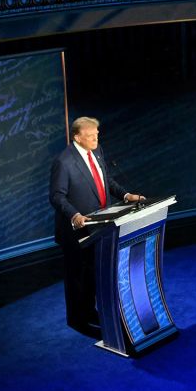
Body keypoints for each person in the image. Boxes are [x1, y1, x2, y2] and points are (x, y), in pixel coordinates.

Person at [50, 116, 145, 335]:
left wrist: (126, 195)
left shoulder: (97, 151)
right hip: (76, 231)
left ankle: (90, 310)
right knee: (78, 276)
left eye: (97, 133)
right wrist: (74, 214)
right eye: (91, 134)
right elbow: (57, 196)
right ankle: (77, 320)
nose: (96, 137)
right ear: (77, 137)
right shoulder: (63, 162)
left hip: (101, 226)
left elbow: (105, 181)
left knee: (93, 273)